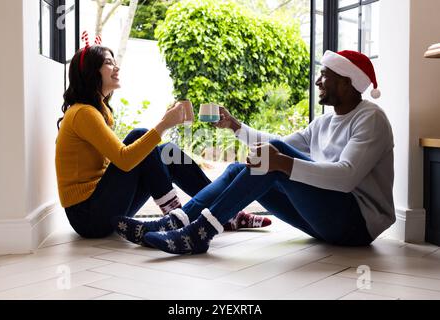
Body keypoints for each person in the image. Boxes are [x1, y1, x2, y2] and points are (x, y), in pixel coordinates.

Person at [122, 50, 396, 254]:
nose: (317, 82)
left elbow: (346, 178)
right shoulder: (325, 121)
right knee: (240, 168)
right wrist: (235, 126)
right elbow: (280, 144)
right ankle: (174, 223)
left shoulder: (370, 118)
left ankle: (197, 234)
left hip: (356, 224)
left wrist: (282, 162)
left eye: (325, 75)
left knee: (272, 157)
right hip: (324, 223)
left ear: (347, 82)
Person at [55, 38, 270, 240]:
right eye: (109, 63)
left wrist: (163, 123)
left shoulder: (95, 111)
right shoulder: (83, 113)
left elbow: (128, 159)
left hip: (98, 208)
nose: (117, 68)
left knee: (165, 151)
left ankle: (224, 211)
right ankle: (177, 218)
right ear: (91, 72)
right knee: (141, 135)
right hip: (88, 217)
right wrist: (165, 123)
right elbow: (124, 159)